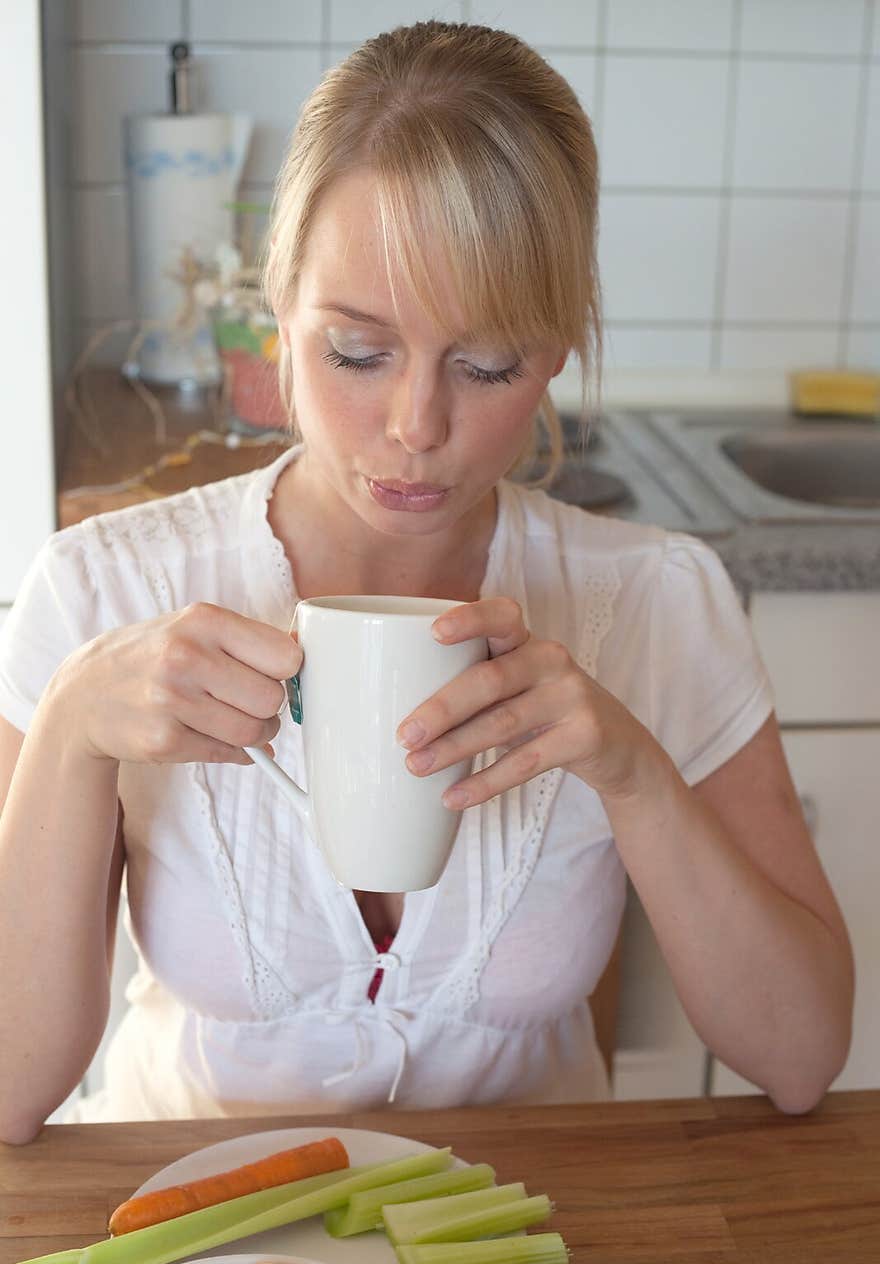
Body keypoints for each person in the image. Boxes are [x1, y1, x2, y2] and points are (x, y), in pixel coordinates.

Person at [0, 21, 853, 1142]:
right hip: (202, 1234)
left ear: (555, 352)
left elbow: (798, 1060)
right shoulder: (101, 589)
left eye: (486, 363)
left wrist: (636, 777)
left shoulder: (655, 602)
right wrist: (69, 734)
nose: (415, 427)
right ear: (279, 313)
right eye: (357, 352)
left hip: (527, 1236)